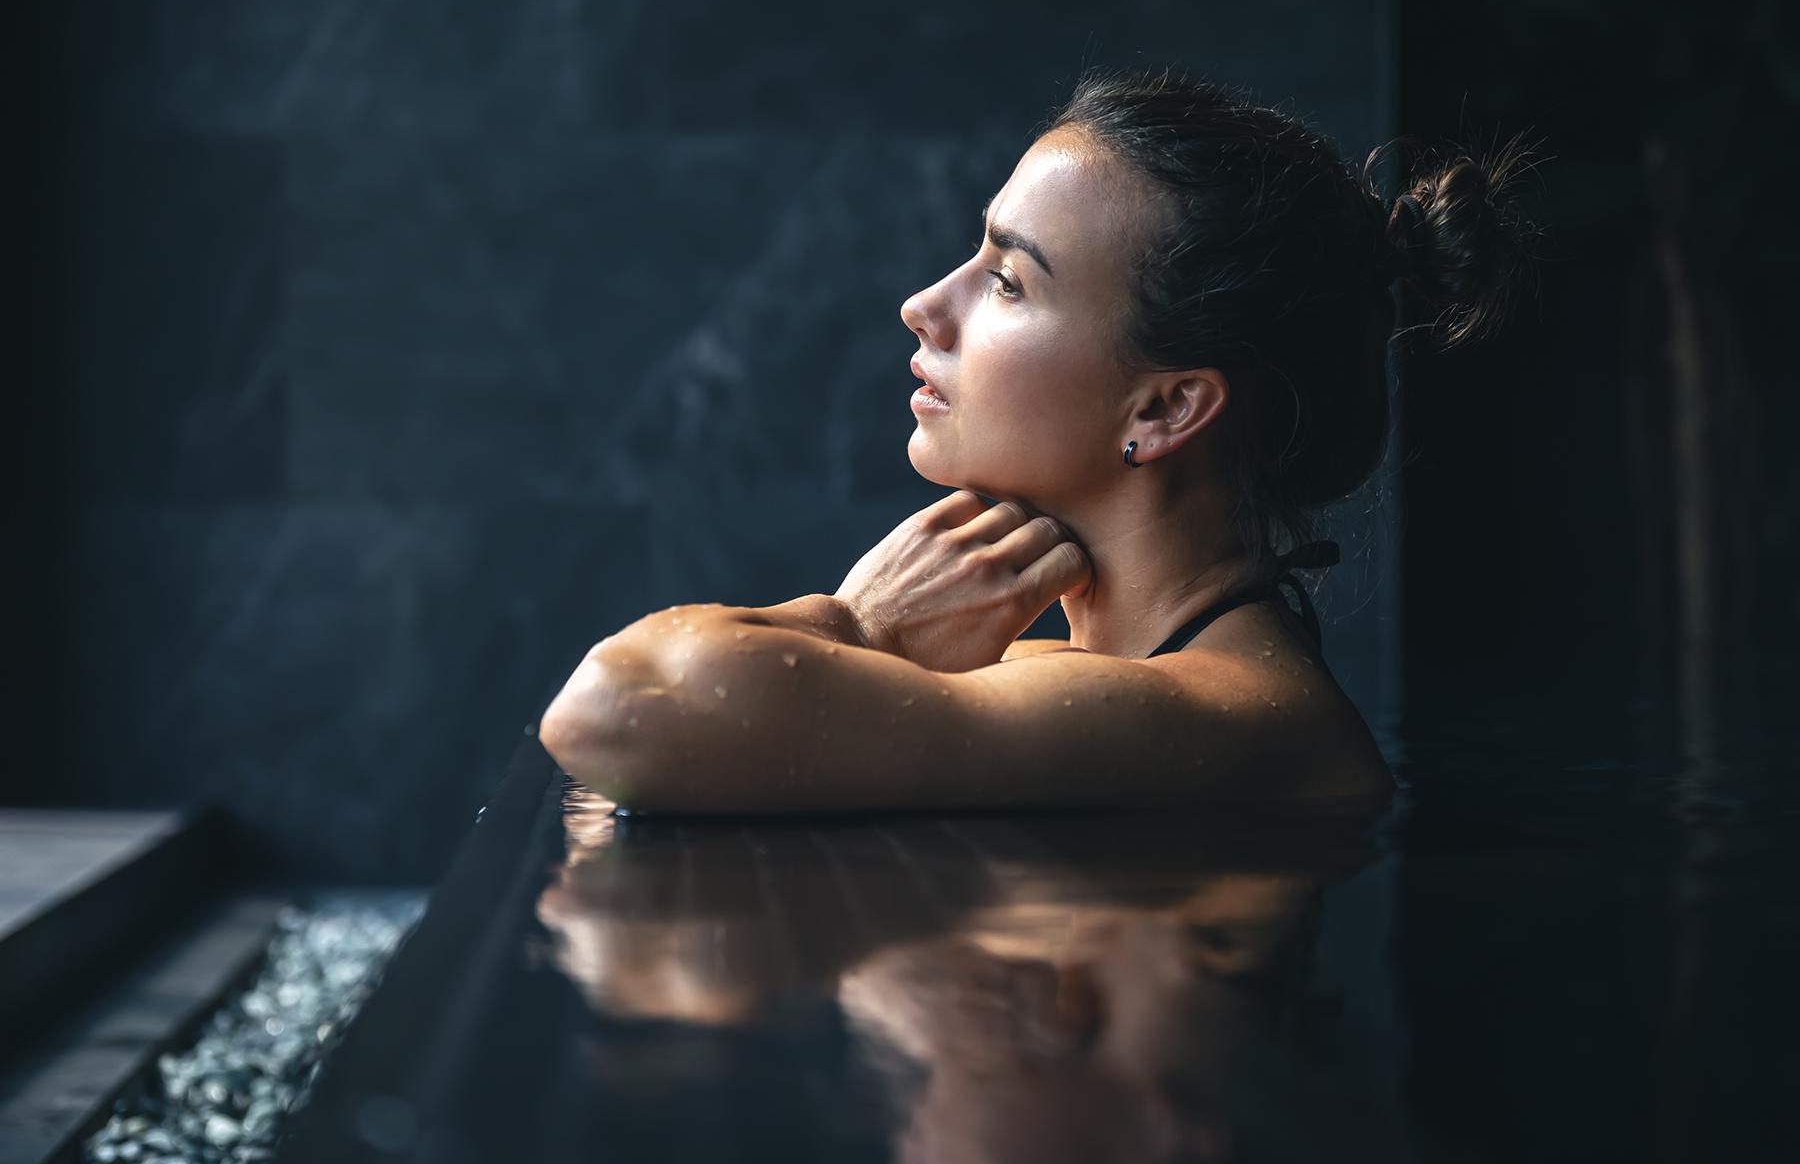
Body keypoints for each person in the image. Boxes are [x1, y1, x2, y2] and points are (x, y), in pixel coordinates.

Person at [539, 64, 1543, 814]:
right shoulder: (1076, 679)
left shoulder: (1212, 715)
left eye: (1008, 281)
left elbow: (616, 710)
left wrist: (855, 626)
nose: (925, 306)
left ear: (1165, 409)